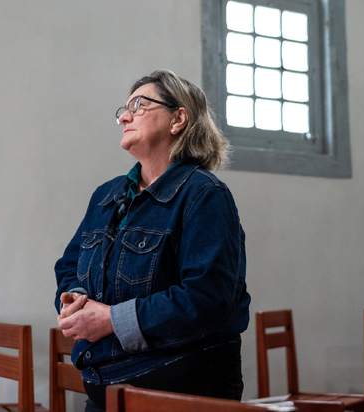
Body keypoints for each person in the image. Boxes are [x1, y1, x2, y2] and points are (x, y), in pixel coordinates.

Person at [55, 70, 250, 412]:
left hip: (177, 395)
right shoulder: (107, 195)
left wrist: (111, 319)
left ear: (178, 118)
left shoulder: (204, 194)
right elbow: (69, 265)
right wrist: (74, 300)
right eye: (123, 109)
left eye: (138, 105)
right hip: (104, 392)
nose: (124, 117)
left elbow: (208, 299)